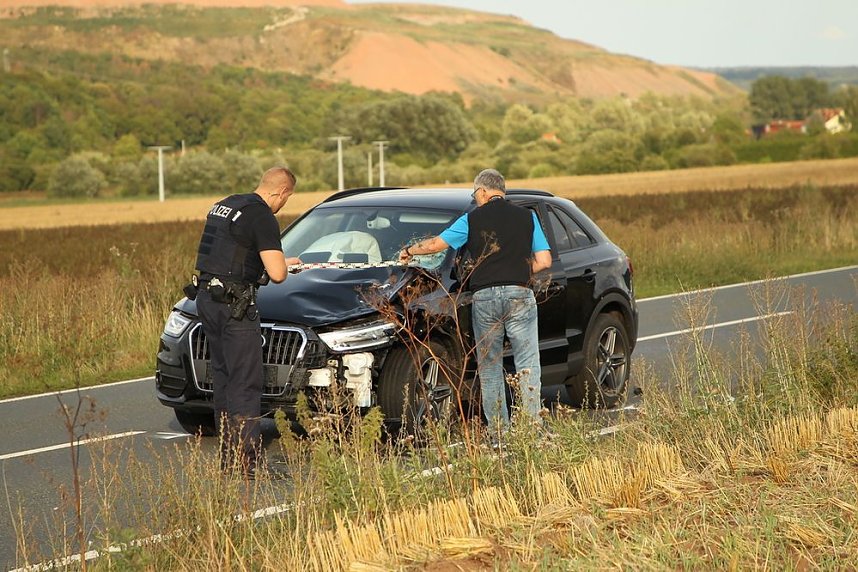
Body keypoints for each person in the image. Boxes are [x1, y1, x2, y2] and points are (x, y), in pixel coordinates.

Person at [398, 168, 552, 430]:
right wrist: (517, 271)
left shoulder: (471, 219)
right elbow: (544, 261)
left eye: (475, 194)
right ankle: (532, 430)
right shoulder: (528, 217)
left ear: (482, 191)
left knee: (490, 367)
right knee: (527, 364)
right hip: (519, 294)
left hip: (485, 297)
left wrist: (408, 251)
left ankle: (498, 434)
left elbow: (436, 245)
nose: (475, 198)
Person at [193, 166, 302, 477]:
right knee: (245, 384)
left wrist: (281, 261)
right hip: (236, 309)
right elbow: (278, 275)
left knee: (224, 380)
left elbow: (235, 256)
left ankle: (229, 459)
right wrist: (283, 267)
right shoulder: (262, 215)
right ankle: (246, 463)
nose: (284, 204)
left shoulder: (226, 205)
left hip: (207, 299)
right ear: (281, 192)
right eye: (287, 199)